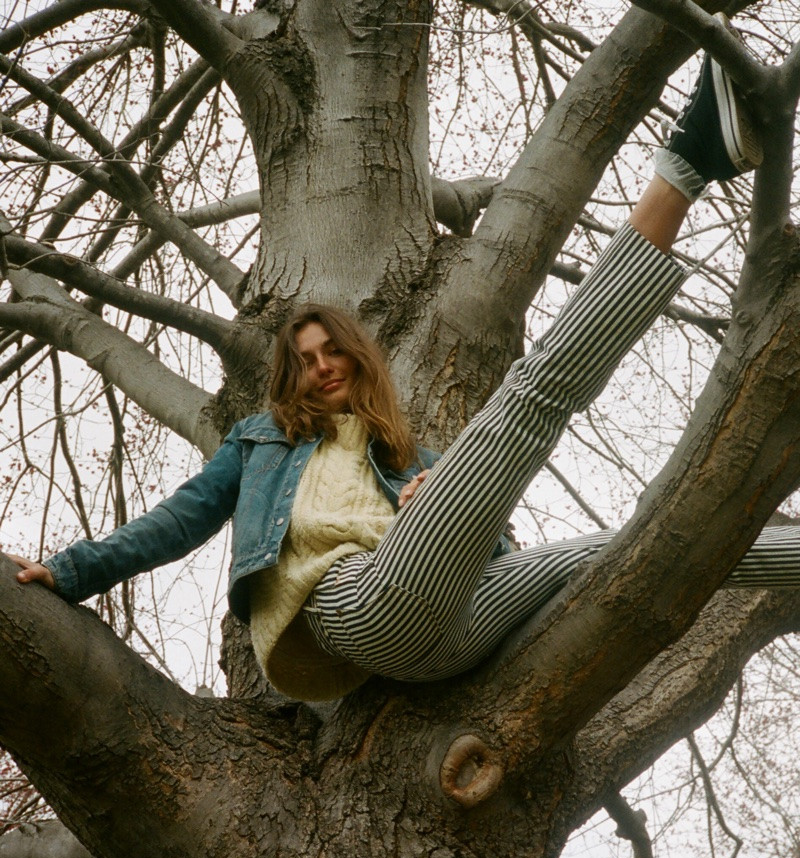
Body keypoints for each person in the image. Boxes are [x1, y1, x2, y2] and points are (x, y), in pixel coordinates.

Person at [10, 32, 790, 701]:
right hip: (351, 616)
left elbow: (491, 554)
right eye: (304, 361)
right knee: (529, 403)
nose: (321, 368)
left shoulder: (406, 454)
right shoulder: (258, 444)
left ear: (357, 357)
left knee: (625, 548)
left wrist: (431, 500)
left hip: (452, 641)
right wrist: (70, 571)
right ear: (290, 380)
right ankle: (685, 166)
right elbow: (176, 521)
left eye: (332, 351)